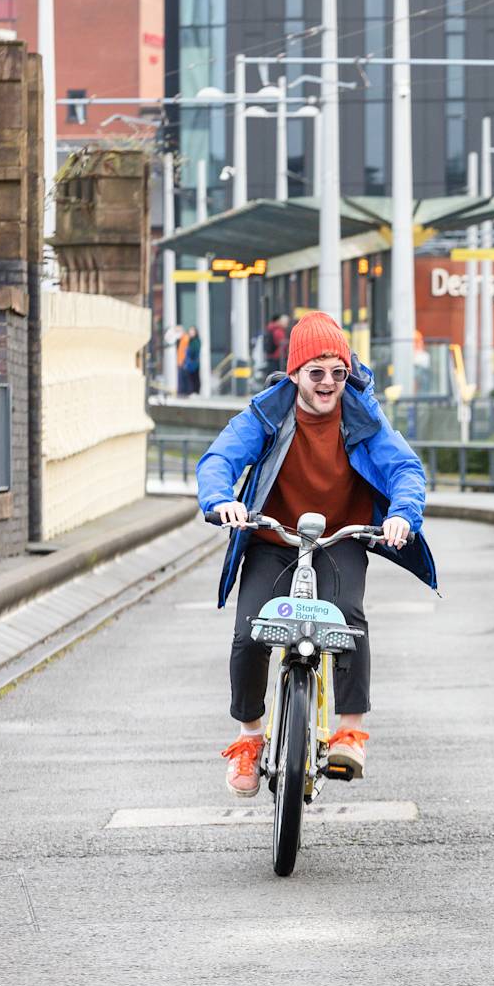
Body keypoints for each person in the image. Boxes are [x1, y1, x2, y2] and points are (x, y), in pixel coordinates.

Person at [196, 311, 437, 797]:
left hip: (339, 539)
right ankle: (249, 738)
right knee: (250, 635)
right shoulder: (268, 413)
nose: (329, 384)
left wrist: (402, 516)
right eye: (317, 373)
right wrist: (221, 500)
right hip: (273, 540)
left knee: (348, 619)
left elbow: (404, 469)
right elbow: (221, 457)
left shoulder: (363, 416)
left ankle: (350, 731)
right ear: (296, 375)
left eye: (338, 373)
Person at [262, 313, 290, 378]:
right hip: (277, 358)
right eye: (286, 322)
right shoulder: (278, 331)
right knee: (277, 376)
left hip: (271, 356)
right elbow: (281, 343)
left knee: (271, 376)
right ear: (280, 321)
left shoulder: (271, 328)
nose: (287, 324)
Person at [180, 326, 202, 396]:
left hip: (194, 362)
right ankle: (191, 392)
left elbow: (194, 351)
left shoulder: (196, 341)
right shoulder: (189, 340)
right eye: (190, 331)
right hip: (189, 362)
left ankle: (195, 392)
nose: (191, 332)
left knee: (195, 377)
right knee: (190, 377)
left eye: (192, 331)